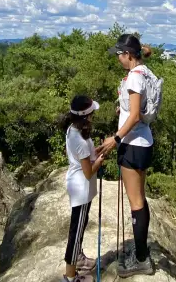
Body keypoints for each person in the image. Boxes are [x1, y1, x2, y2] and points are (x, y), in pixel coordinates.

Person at [98, 34, 155, 277]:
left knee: (136, 203)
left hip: (132, 143)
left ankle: (141, 258)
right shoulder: (146, 72)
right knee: (140, 199)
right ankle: (142, 251)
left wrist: (115, 139)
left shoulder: (133, 76)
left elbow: (133, 116)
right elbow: (136, 108)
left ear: (128, 55)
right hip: (145, 142)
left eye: (120, 54)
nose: (118, 58)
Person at [62, 95, 106, 282]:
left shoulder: (74, 130)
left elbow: (87, 157)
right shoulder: (78, 139)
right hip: (81, 187)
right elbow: (88, 171)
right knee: (76, 231)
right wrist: (100, 161)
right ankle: (70, 276)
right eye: (91, 114)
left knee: (80, 226)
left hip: (80, 186)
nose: (93, 116)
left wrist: (99, 151)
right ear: (86, 116)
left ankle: (78, 258)